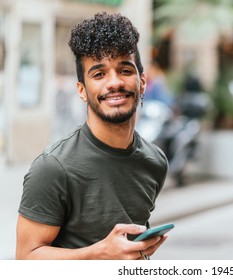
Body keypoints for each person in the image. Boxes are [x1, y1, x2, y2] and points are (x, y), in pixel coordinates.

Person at [16, 12, 169, 260]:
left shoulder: (155, 161)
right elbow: (25, 259)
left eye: (125, 70)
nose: (114, 82)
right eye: (99, 74)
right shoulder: (53, 168)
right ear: (82, 90)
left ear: (142, 82)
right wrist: (100, 254)